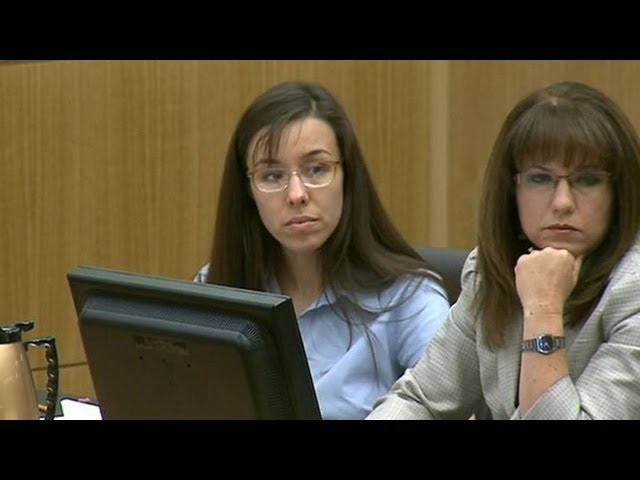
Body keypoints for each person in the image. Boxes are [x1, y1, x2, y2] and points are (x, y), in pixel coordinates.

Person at [368, 81, 640, 420]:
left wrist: (543, 308)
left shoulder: (632, 291)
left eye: (586, 180)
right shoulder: (490, 272)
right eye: (540, 179)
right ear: (512, 190)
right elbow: (420, 399)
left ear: (618, 193)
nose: (562, 202)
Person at [194, 81, 450, 420]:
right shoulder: (217, 287)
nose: (296, 194)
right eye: (272, 176)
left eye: (316, 169)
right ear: (248, 193)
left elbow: (455, 409)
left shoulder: (409, 298)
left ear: (347, 176)